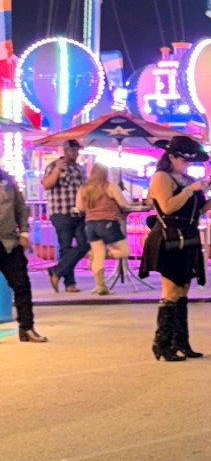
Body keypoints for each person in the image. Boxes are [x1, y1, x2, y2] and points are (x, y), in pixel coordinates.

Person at [140, 135, 210, 361]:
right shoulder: (161, 177)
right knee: (170, 291)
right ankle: (162, 342)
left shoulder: (185, 178)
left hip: (187, 236)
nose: (187, 165)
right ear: (171, 157)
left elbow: (194, 212)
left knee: (182, 290)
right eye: (184, 160)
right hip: (169, 238)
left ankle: (181, 341)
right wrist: (191, 190)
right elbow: (168, 208)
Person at [0, 162, 45, 341]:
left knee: (22, 285)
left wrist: (24, 232)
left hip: (9, 242)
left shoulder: (6, 179)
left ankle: (27, 328)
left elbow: (21, 207)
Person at [76, 163, 132, 296]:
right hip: (108, 223)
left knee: (98, 254)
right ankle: (100, 256)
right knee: (124, 251)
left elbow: (80, 207)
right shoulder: (110, 186)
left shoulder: (83, 188)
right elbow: (123, 203)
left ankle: (101, 286)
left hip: (90, 225)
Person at [41, 138, 88, 293]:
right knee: (65, 247)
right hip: (61, 212)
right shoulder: (54, 166)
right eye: (71, 150)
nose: (74, 153)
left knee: (85, 244)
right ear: (64, 150)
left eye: (76, 150)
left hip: (79, 212)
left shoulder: (79, 168)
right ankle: (70, 283)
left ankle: (57, 270)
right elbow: (46, 185)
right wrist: (56, 170)